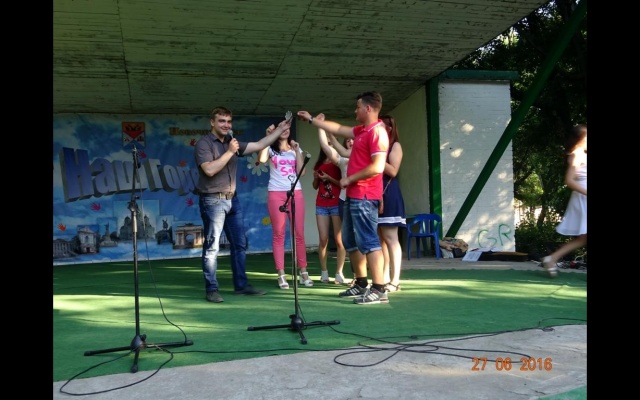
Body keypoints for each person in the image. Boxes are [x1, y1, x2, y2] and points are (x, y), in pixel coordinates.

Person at [298, 90, 390, 305]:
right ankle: (361, 283)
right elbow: (339, 129)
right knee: (350, 240)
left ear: (368, 108)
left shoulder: (378, 132)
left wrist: (349, 179)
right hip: (353, 196)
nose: (355, 111)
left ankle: (379, 289)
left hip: (365, 195)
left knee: (369, 241)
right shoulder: (362, 131)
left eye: (358, 107)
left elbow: (377, 167)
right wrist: (312, 120)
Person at [194, 106, 292, 303]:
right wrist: (230, 152)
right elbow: (210, 170)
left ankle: (241, 286)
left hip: (233, 200)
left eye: (229, 121)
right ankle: (212, 289)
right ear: (212, 122)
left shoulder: (232, 142)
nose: (226, 125)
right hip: (213, 200)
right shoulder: (204, 144)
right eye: (221, 121)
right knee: (212, 247)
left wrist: (280, 130)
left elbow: (260, 144)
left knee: (239, 244)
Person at [258, 123, 312, 289]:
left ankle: (303, 272)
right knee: (279, 234)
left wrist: (296, 150)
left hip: (295, 193)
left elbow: (302, 172)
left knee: (299, 234)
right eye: (282, 127)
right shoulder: (271, 148)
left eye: (288, 127)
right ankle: (281, 274)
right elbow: (261, 160)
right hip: (276, 193)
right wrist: (268, 138)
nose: (285, 129)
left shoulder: (296, 148)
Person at [542, 124, 587, 277]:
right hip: (583, 198)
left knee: (583, 239)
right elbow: (569, 180)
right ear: (580, 139)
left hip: (583, 197)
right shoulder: (576, 155)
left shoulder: (580, 154)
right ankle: (551, 259)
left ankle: (551, 259)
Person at [313, 124, 347, 284]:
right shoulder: (319, 163)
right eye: (325, 142)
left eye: (330, 142)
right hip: (321, 204)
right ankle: (324, 272)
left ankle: (339, 273)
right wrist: (317, 178)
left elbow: (343, 183)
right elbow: (315, 186)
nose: (328, 144)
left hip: (336, 202)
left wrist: (329, 178)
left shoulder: (339, 161)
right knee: (323, 239)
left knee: (339, 240)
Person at [377, 114, 407, 293]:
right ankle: (384, 277)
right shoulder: (378, 147)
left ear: (388, 129)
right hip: (375, 194)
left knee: (391, 239)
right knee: (380, 240)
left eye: (379, 126)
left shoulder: (395, 146)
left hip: (389, 194)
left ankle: (395, 280)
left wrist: (378, 157)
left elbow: (393, 171)